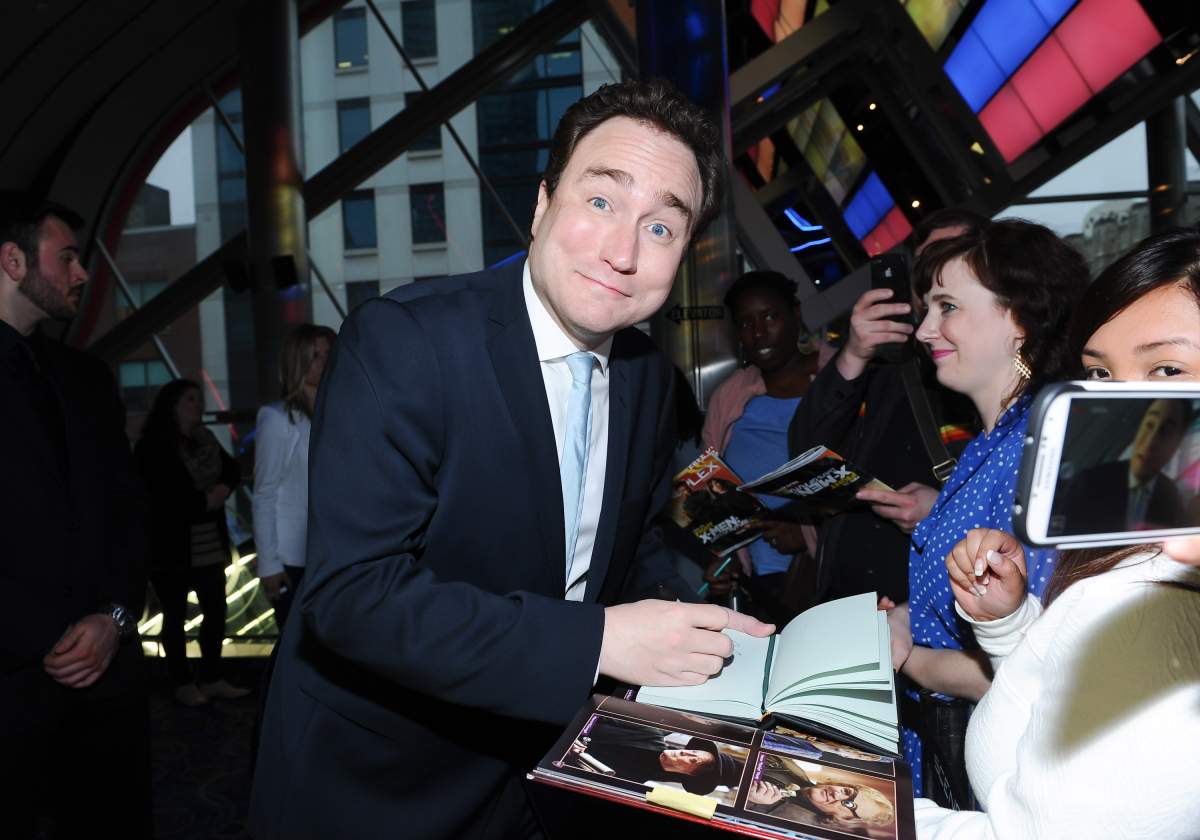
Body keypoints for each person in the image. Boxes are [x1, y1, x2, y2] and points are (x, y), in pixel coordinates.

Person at [250, 79, 774, 839]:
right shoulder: (405, 343)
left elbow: (632, 541)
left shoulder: (648, 381)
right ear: (541, 204)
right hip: (387, 783)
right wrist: (599, 642)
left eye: (661, 228)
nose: (623, 252)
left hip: (545, 771)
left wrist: (677, 622)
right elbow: (352, 598)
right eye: (601, 202)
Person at [913, 226, 1200, 839]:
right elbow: (1076, 686)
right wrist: (1010, 622)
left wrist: (855, 812)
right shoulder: (1148, 543)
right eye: (1100, 376)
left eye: (1166, 369)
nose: (1119, 410)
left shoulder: (1168, 600)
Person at [886, 219, 1089, 801]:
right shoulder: (994, 440)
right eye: (927, 308)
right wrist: (904, 616)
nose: (925, 330)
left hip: (999, 762)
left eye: (946, 306)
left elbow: (1036, 656)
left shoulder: (1043, 447)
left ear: (1019, 319)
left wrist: (910, 661)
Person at [0, 194, 151, 837]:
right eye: (66, 258)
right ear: (12, 261)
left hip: (105, 685)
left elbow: (126, 515)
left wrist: (113, 619)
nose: (81, 273)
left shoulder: (87, 379)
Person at [788, 208, 985, 606]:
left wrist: (942, 510)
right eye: (925, 266)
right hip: (850, 598)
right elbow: (807, 452)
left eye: (949, 260)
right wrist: (855, 354)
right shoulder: (886, 361)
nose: (933, 277)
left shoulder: (1004, 368)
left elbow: (1021, 501)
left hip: (940, 601)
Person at [700, 270, 818, 623]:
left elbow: (867, 481)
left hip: (831, 580)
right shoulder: (729, 396)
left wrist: (807, 534)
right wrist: (723, 560)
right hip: (762, 590)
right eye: (746, 323)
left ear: (795, 314)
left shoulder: (839, 379)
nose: (760, 333)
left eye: (770, 316)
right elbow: (710, 490)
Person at [136, 379, 249, 706]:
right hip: (172, 546)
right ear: (171, 405)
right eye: (189, 400)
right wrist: (204, 500)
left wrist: (218, 493)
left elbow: (231, 469)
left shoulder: (206, 439)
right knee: (174, 615)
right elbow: (161, 498)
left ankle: (211, 676)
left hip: (208, 543)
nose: (197, 405)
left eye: (199, 399)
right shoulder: (154, 447)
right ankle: (182, 681)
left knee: (215, 611)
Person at [253, 323, 336, 628]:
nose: (324, 360)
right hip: (293, 556)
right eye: (315, 354)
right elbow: (264, 493)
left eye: (329, 352)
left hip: (333, 550)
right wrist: (269, 564)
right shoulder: (277, 418)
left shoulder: (340, 413)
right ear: (298, 361)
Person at [1059, 397, 1191, 533]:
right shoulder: (1088, 483)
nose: (1150, 442)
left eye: (1166, 431)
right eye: (1149, 424)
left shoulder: (1171, 497)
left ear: (1177, 444)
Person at [568, 716, 742, 795]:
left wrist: (572, 755)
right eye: (694, 751)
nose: (685, 751)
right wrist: (577, 737)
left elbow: (578, 779)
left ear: (690, 776)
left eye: (693, 759)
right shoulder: (650, 731)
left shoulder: (633, 781)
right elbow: (599, 714)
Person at [745, 754, 895, 835]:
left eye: (850, 804)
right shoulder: (796, 770)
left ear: (844, 819)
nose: (837, 794)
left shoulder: (792, 829)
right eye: (846, 792)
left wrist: (748, 802)